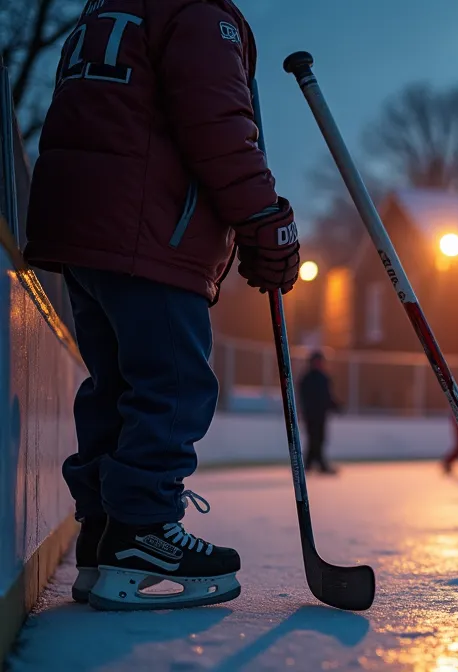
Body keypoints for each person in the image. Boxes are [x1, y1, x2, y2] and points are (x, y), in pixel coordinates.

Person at [22, 1, 299, 610]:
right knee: (173, 385)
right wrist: (263, 217)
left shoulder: (109, 6)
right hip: (150, 231)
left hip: (86, 230)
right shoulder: (197, 13)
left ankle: (104, 534)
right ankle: (142, 531)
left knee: (116, 383)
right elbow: (220, 125)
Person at [298, 351, 342, 475]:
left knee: (319, 438)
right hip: (311, 414)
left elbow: (328, 396)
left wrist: (335, 406)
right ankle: (317, 464)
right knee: (314, 438)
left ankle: (309, 464)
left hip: (321, 414)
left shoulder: (323, 377)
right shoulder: (307, 378)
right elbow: (304, 397)